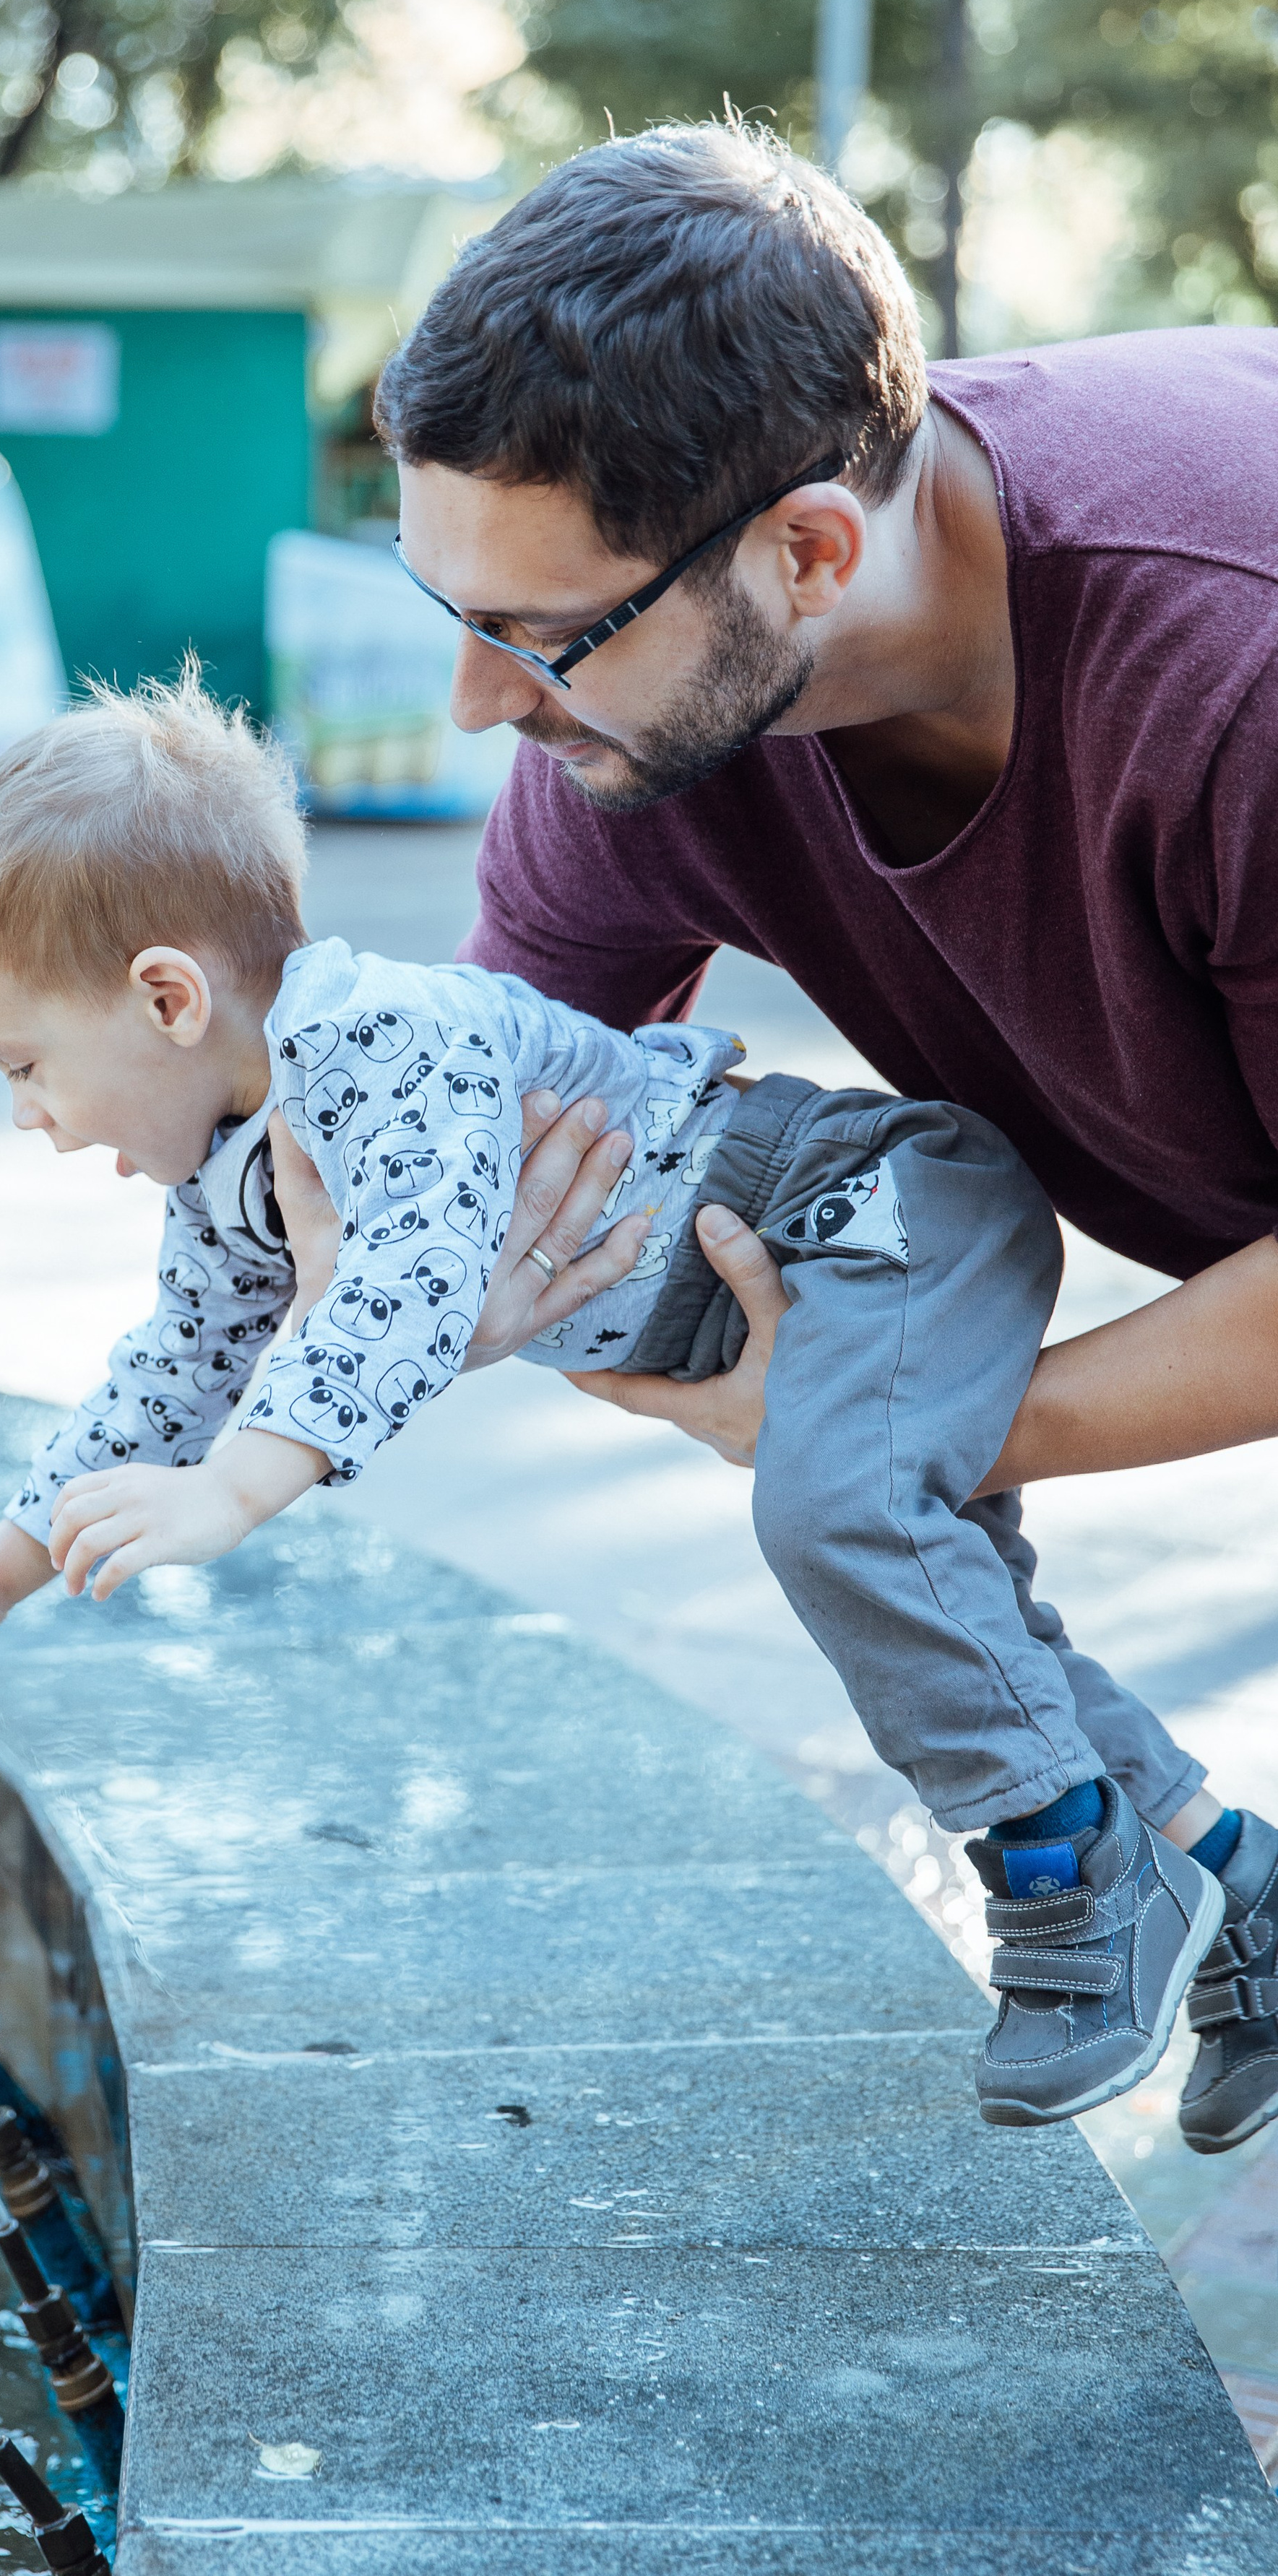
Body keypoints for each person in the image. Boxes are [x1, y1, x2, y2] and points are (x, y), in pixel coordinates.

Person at [0, 674, 1228, 2134]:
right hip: (829, 1263)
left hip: (869, 1201)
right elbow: (172, 1368)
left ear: (166, 997)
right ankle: (1227, 1880)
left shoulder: (372, 1038)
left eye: (24, 1066)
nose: (27, 1119)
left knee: (833, 1514)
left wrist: (237, 1488)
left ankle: (1064, 1876)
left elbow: (407, 1289)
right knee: (948, 1603)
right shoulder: (228, 1163)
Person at [337, 110, 1278, 2160]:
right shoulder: (642, 718)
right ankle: (1213, 1868)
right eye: (448, 609)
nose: (481, 709)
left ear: (811, 552)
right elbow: (519, 1148)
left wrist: (898, 1425)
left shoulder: (1235, 660)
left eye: (538, 632)